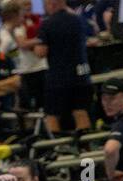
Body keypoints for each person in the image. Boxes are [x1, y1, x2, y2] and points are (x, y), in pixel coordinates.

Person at [35, 0, 91, 134]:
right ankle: (85, 147)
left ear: (51, 4)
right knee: (80, 111)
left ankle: (56, 147)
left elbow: (41, 52)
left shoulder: (47, 24)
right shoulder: (78, 20)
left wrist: (34, 45)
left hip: (58, 77)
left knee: (52, 114)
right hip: (81, 74)